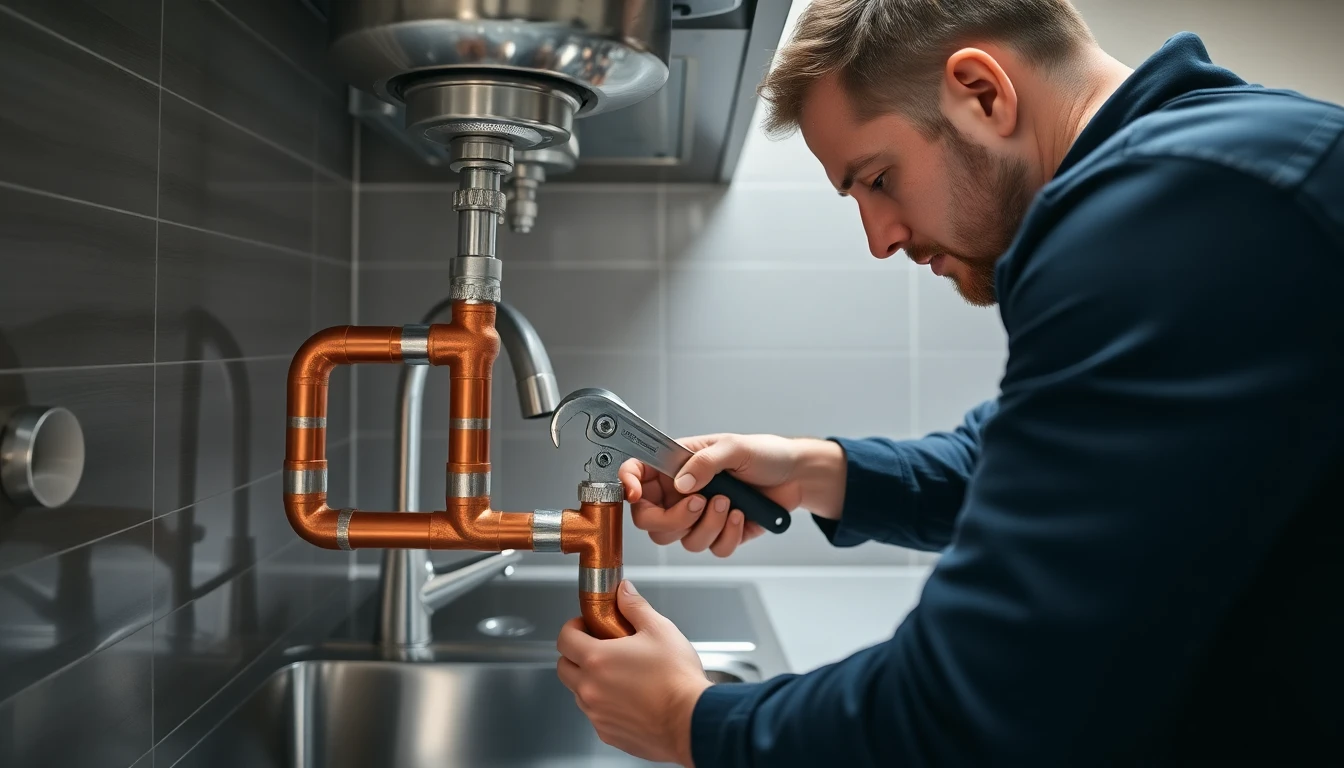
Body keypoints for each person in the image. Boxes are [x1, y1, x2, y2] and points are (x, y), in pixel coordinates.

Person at [554, 0, 1344, 764]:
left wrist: (690, 721)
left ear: (982, 93)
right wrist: (812, 472)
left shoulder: (1163, 217)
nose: (879, 238)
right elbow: (1047, 464)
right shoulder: (1216, 171)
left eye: (878, 179)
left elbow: (987, 701)